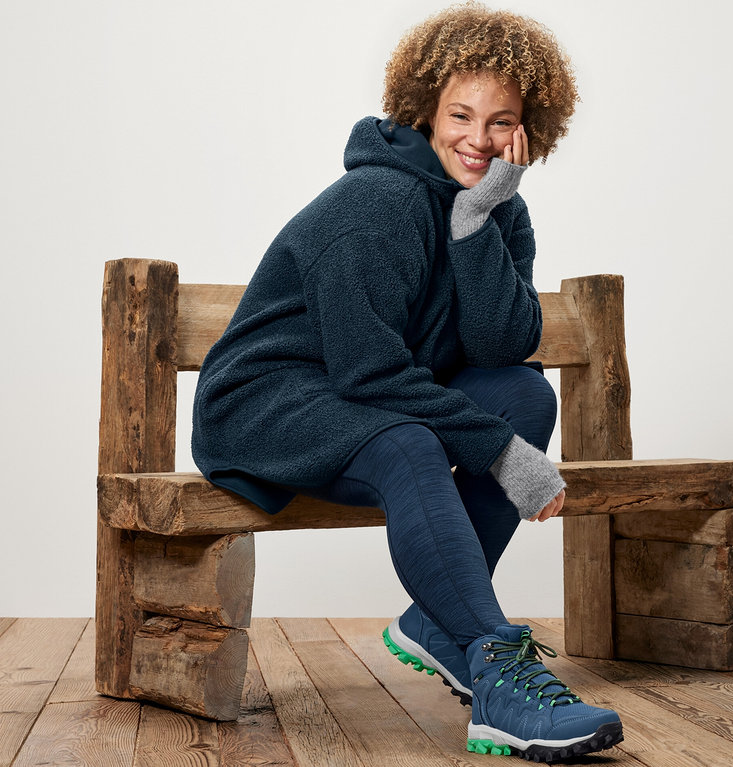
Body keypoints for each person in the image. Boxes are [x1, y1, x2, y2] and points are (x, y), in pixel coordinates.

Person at [192, 2, 623, 761]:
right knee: (409, 442)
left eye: (502, 121)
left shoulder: (495, 209)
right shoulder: (375, 203)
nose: (479, 140)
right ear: (424, 109)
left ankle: (435, 621)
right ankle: (496, 666)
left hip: (361, 398)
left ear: (530, 129)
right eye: (461, 114)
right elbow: (371, 373)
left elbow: (503, 343)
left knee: (524, 397)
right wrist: (501, 453)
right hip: (267, 399)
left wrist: (476, 221)